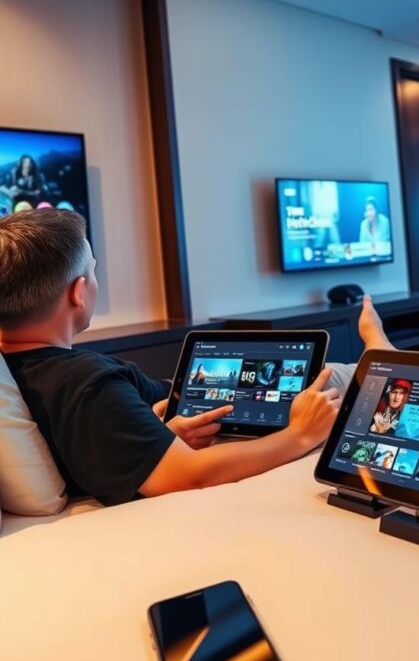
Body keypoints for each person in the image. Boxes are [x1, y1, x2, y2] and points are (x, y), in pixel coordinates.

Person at [0, 209, 393, 507]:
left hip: (171, 417)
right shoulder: (84, 385)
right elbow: (191, 476)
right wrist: (300, 436)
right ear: (79, 293)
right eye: (94, 271)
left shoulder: (24, 370)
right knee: (346, 381)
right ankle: (381, 354)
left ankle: (380, 354)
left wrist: (159, 429)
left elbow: (102, 442)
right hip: (204, 435)